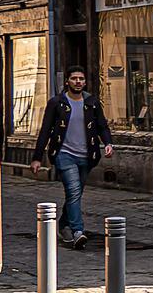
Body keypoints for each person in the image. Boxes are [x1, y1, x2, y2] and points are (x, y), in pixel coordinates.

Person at [31, 66, 112, 250]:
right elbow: (45, 131)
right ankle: (77, 231)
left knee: (75, 193)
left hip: (87, 155)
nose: (78, 82)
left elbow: (102, 126)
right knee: (74, 191)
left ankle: (63, 224)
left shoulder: (91, 102)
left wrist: (108, 142)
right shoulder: (57, 103)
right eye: (74, 78)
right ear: (67, 81)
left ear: (85, 82)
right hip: (64, 154)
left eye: (81, 79)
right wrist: (37, 158)